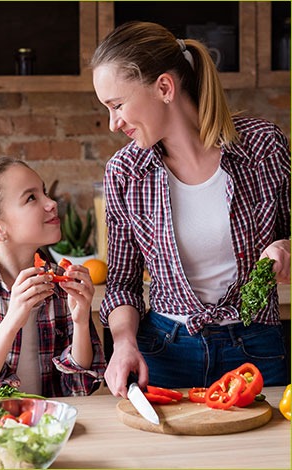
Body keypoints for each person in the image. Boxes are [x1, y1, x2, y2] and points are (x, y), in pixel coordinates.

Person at [91, 21, 291, 397]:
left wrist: (286, 250)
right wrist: (123, 344)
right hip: (165, 351)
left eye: (117, 105)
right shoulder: (125, 173)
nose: (114, 123)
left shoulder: (263, 147)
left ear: (165, 87)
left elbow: (288, 236)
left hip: (256, 348)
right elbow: (121, 283)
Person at [0, 156, 106, 402]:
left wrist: (80, 322)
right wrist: (13, 318)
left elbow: (80, 387)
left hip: (50, 427)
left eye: (44, 192)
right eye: (31, 198)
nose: (51, 203)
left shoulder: (59, 281)